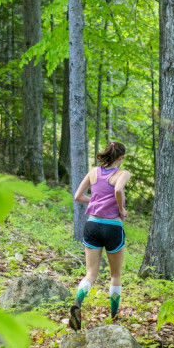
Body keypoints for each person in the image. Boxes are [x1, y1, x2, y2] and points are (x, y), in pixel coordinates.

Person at [70, 141, 131, 330]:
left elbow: (78, 197)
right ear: (120, 158)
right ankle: (113, 318)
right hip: (112, 227)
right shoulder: (122, 173)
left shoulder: (93, 172)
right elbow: (118, 190)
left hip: (93, 224)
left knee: (91, 273)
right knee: (115, 275)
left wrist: (96, 202)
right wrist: (121, 209)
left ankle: (77, 303)